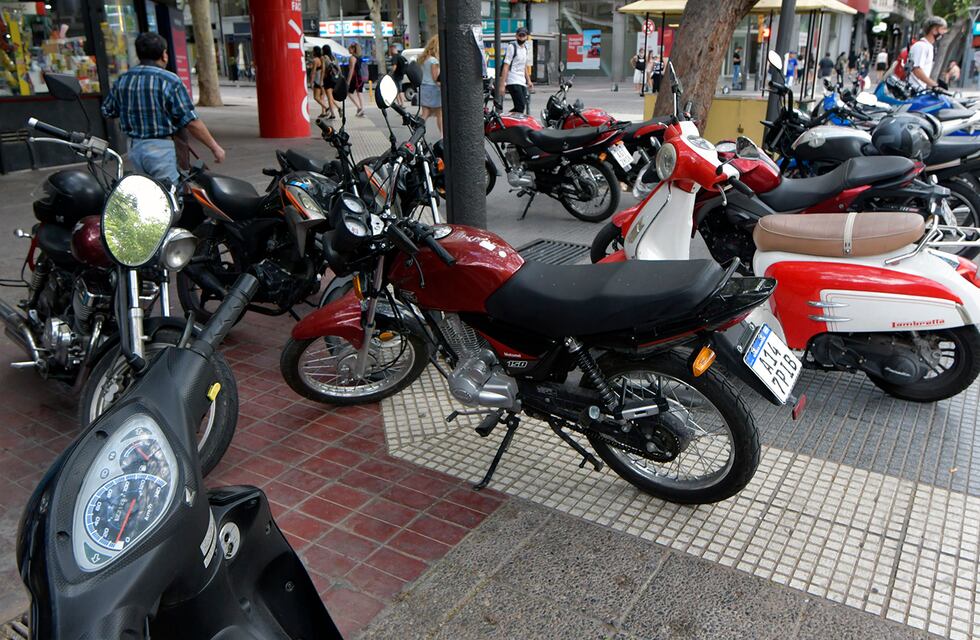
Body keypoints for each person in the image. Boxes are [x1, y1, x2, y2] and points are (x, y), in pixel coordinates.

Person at [101, 32, 224, 184]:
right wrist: (215, 147)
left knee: (149, 193)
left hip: (134, 148)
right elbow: (191, 122)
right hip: (161, 149)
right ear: (164, 55)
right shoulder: (169, 80)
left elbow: (108, 110)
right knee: (169, 196)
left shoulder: (123, 79)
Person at [498, 26, 532, 113]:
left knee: (521, 107)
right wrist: (502, 84)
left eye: (523, 35)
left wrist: (528, 81)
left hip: (522, 81)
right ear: (516, 36)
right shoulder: (512, 47)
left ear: (527, 36)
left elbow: (523, 65)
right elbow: (506, 66)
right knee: (520, 106)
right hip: (512, 80)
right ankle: (504, 120)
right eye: (520, 35)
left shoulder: (525, 48)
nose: (521, 37)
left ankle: (507, 121)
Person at [909, 16, 948, 90]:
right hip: (913, 90)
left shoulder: (928, 46)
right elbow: (917, 70)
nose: (944, 33)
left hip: (919, 89)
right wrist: (934, 85)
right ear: (934, 30)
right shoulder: (922, 46)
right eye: (942, 29)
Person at [417, 36, 442, 134]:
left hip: (423, 87)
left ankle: (418, 132)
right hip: (433, 89)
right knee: (440, 114)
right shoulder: (434, 61)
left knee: (425, 113)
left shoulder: (423, 59)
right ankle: (442, 135)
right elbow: (435, 78)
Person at [346, 42, 366, 117]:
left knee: (350, 93)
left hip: (355, 78)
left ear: (353, 49)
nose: (348, 50)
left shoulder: (352, 58)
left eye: (350, 48)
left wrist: (348, 81)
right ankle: (361, 108)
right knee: (359, 93)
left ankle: (360, 108)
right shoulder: (359, 57)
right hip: (360, 76)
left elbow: (351, 70)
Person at [310, 46, 328, 117]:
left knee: (316, 97)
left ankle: (327, 108)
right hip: (322, 79)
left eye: (313, 50)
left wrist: (311, 82)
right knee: (321, 97)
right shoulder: (322, 59)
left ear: (315, 51)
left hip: (317, 80)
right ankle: (323, 112)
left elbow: (313, 72)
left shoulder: (315, 60)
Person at [322, 45, 338, 119]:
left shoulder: (324, 57)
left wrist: (321, 79)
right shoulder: (333, 57)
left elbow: (323, 70)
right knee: (331, 96)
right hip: (334, 78)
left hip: (327, 79)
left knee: (329, 97)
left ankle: (332, 114)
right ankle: (334, 110)